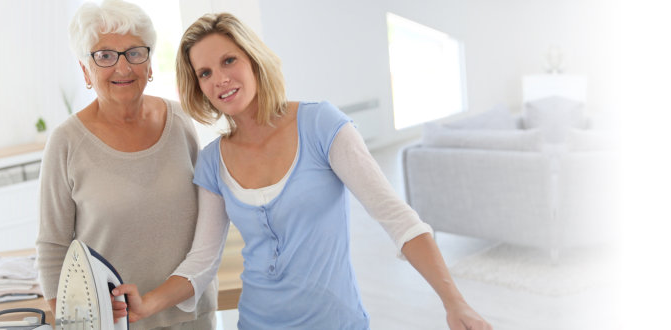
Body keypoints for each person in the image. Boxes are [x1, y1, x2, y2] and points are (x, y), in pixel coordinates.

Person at [111, 13, 492, 329]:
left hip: (336, 321)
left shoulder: (320, 125)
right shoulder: (213, 161)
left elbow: (397, 219)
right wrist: (147, 302)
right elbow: (203, 260)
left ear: (253, 59)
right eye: (205, 73)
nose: (220, 79)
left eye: (229, 61)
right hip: (257, 321)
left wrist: (454, 302)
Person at [35, 1, 217, 329]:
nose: (123, 68)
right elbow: (52, 250)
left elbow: (207, 224)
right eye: (104, 56)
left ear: (149, 64)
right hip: (114, 324)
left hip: (192, 316)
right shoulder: (65, 142)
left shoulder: (180, 123)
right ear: (85, 70)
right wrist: (73, 323)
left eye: (134, 53)